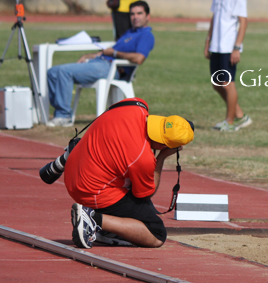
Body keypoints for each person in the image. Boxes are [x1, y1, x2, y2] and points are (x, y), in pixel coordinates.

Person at [64, 97, 195, 248]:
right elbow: (145, 194)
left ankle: (108, 230)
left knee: (134, 191)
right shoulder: (142, 158)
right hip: (90, 190)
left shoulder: (136, 106)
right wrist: (162, 157)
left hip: (74, 168)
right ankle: (93, 219)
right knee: (156, 233)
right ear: (164, 145)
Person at [46, 1, 155, 127]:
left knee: (64, 71)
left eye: (139, 13)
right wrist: (89, 56)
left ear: (148, 16)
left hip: (111, 68)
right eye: (132, 14)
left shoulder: (146, 35)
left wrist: (114, 53)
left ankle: (63, 116)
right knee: (53, 72)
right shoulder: (129, 32)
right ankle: (59, 112)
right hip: (101, 62)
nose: (135, 17)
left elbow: (139, 58)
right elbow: (107, 52)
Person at [205, 0, 251, 132]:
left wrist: (237, 47)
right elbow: (214, 18)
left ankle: (229, 122)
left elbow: (243, 22)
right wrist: (208, 41)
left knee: (227, 83)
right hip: (216, 46)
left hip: (228, 47)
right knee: (216, 84)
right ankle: (240, 115)